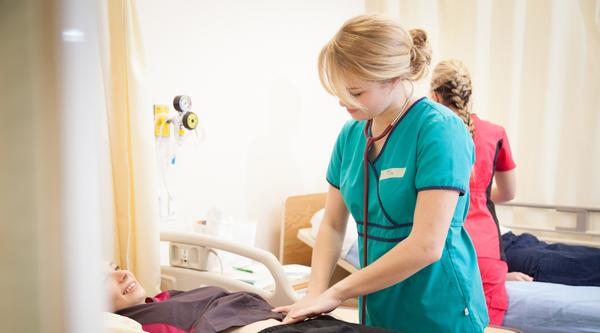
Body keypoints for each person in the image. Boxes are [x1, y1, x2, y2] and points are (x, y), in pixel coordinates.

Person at [273, 14, 488, 333]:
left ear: (394, 77)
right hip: (378, 308)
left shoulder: (439, 130)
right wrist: (315, 295)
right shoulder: (350, 136)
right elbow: (332, 224)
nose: (343, 102)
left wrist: (336, 293)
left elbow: (427, 245)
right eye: (339, 91)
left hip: (439, 311)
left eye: (356, 92)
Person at [430, 59, 532, 325]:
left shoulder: (427, 132)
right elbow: (508, 193)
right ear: (468, 94)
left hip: (440, 249)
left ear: (434, 95)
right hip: (485, 252)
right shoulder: (495, 133)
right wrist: (480, 195)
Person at [106, 263, 397, 333]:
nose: (123, 274)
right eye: (104, 279)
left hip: (279, 317)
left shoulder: (164, 297)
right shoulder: (136, 326)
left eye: (116, 267)